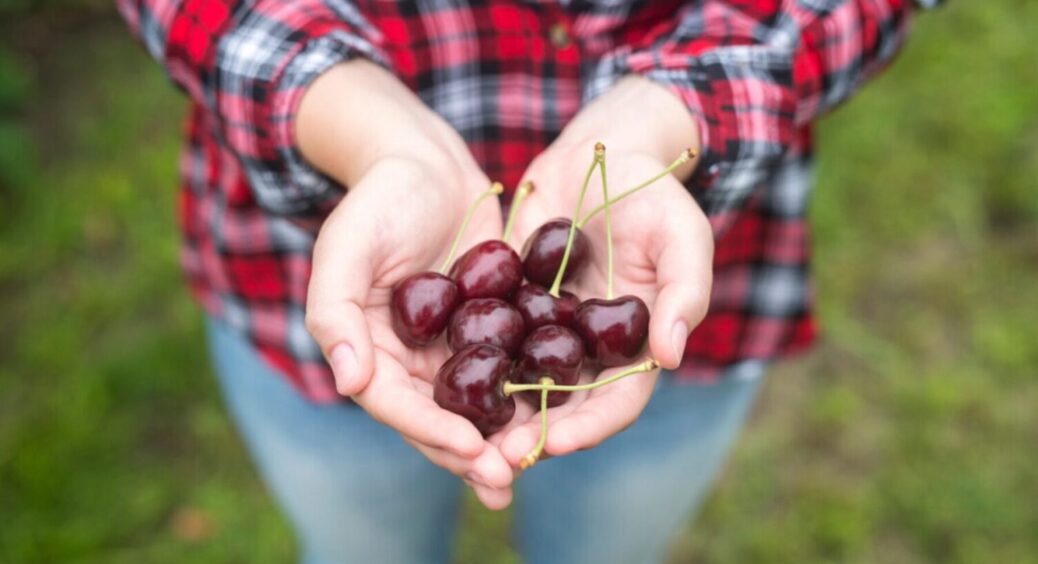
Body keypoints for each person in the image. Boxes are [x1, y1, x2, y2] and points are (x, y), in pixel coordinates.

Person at [119, 0, 941, 562]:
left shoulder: (573, 309)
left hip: (680, 293)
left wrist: (671, 113)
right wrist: (354, 119)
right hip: (305, 293)